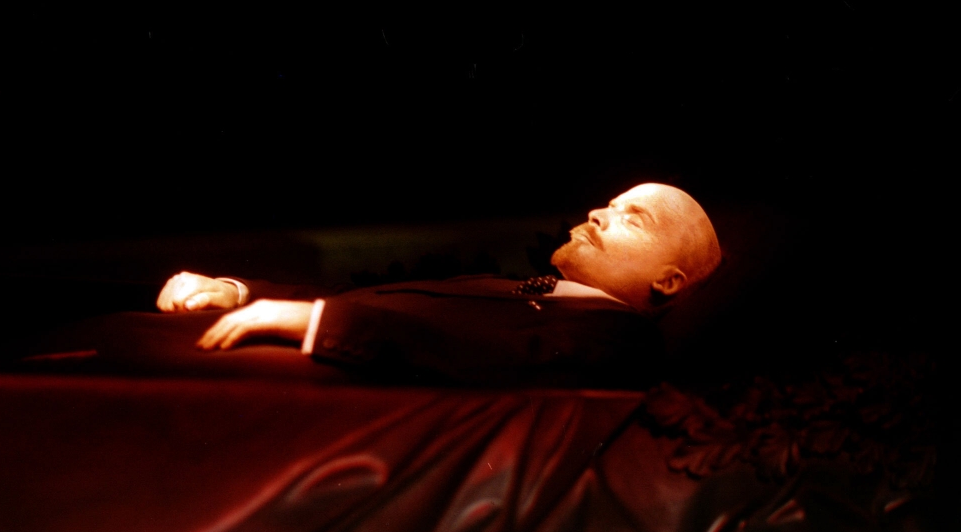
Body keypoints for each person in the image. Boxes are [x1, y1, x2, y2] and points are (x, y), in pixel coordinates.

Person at [155, 183, 721, 386]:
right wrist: (238, 291)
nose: (598, 213)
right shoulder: (511, 288)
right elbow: (374, 303)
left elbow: (480, 356)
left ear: (668, 281)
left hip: (269, 389)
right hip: (218, 348)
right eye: (610, 203)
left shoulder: (621, 340)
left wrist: (317, 322)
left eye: (633, 219)